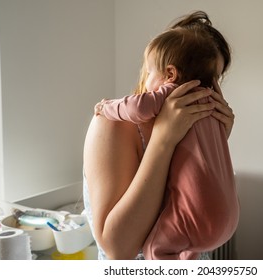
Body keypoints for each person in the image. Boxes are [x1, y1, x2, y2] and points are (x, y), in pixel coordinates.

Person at [83, 11, 236, 260]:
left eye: (211, 80)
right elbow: (119, 250)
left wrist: (217, 141)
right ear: (168, 73)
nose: (201, 88)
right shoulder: (112, 125)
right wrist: (164, 139)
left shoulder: (195, 127)